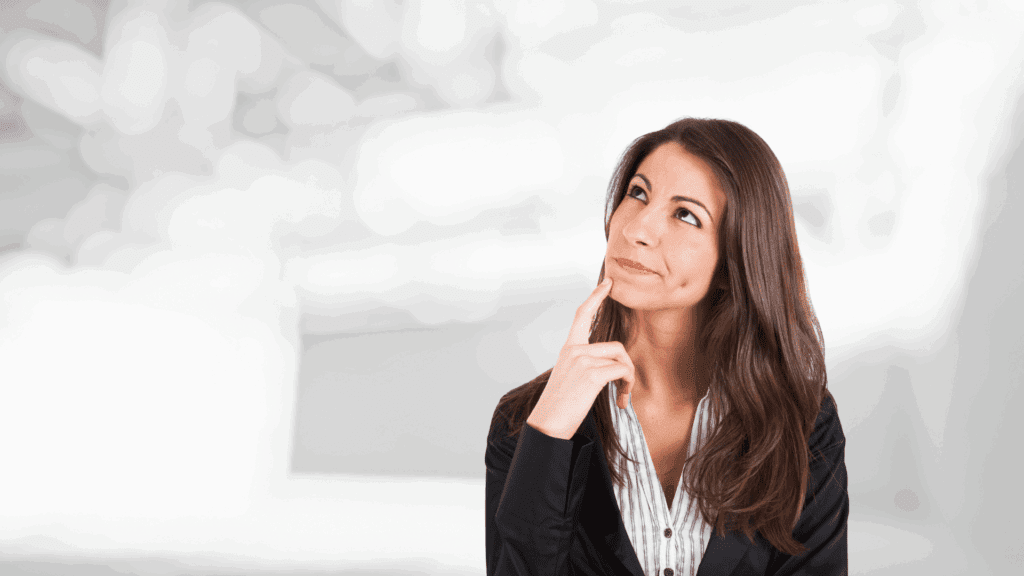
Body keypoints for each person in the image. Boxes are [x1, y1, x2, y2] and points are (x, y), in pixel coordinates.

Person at [485, 118, 848, 575]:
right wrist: (550, 438)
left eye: (685, 215)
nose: (638, 228)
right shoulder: (527, 421)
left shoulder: (799, 419)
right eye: (638, 193)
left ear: (737, 257)